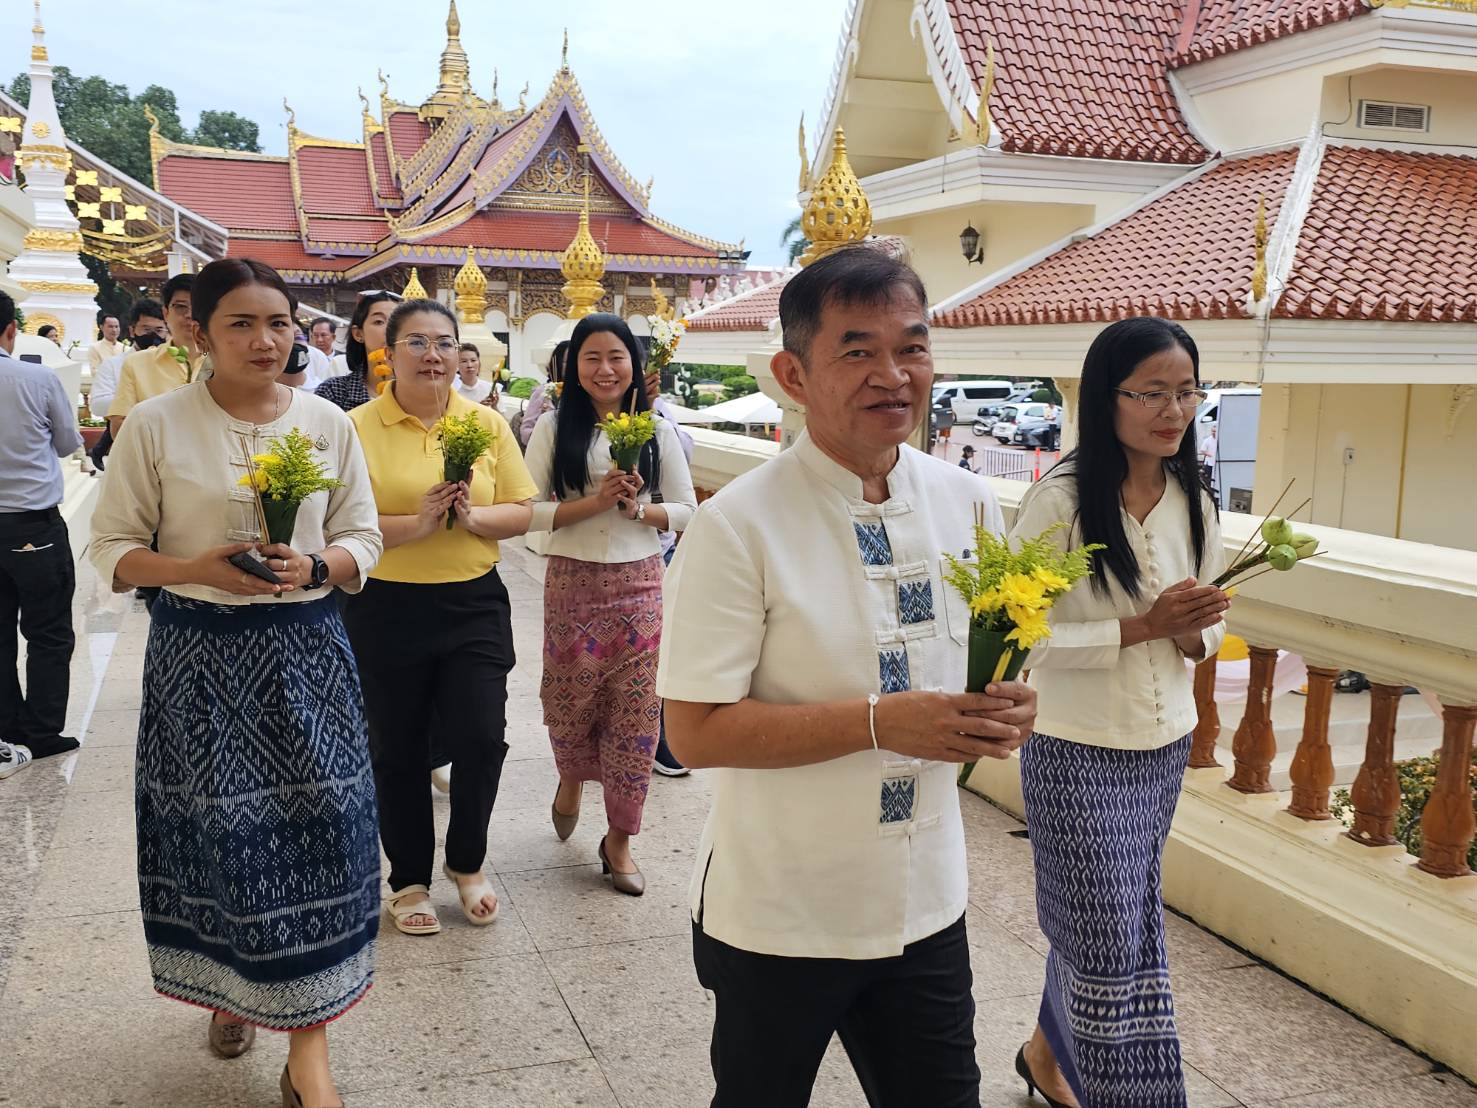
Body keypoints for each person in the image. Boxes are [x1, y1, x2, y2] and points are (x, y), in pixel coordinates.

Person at [658, 246, 1037, 1107]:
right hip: (780, 913)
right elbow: (694, 732)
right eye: (857, 351)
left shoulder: (968, 501)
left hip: (924, 904)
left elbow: (989, 657)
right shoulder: (737, 528)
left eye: (912, 347)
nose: (893, 375)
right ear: (793, 373)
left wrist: (1012, 705)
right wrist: (877, 721)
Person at [89, 258, 383, 1108]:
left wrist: (317, 563)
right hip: (199, 661)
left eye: (280, 324)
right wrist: (193, 567)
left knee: (324, 833)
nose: (266, 341)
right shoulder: (155, 425)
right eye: (242, 325)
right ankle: (231, 992)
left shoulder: (328, 422)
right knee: (226, 842)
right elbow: (111, 550)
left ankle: (308, 1052)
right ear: (199, 332)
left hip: (307, 654)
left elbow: (361, 537)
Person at [1008, 316, 1228, 1108]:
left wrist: (1195, 626)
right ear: (1106, 399)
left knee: (1111, 915)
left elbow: (1211, 627)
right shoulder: (1059, 502)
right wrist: (1142, 627)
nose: (1172, 411)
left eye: (1185, 393)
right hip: (1075, 745)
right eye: (1151, 394)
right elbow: (1016, 636)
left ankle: (1042, 1053)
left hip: (1163, 742)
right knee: (1106, 940)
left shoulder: (1192, 499)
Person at [342, 298, 536, 935]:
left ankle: (468, 861)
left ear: (460, 355)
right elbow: (343, 525)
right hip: (385, 605)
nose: (433, 355)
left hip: (472, 601)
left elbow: (523, 507)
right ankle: (409, 880)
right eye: (417, 343)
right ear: (389, 354)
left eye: (445, 343)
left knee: (482, 737)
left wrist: (473, 519)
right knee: (396, 748)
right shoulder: (357, 426)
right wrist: (419, 523)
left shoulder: (484, 423)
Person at [524, 314, 696, 895]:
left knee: (638, 715)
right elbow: (529, 510)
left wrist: (639, 511)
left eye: (616, 357)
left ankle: (620, 837)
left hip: (641, 585)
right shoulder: (553, 427)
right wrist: (594, 503)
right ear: (574, 366)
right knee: (571, 701)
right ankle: (571, 776)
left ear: (635, 366)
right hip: (571, 585)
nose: (605, 369)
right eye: (591, 357)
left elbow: (688, 509)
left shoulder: (658, 430)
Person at [0, 289, 83, 767]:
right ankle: (43, 731)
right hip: (33, 526)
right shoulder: (35, 376)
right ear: (11, 329)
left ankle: (7, 725)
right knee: (48, 633)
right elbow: (70, 441)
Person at [643, 361, 694, 778]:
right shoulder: (565, 415)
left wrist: (653, 407)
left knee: (665, 649)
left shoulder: (662, 417)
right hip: (598, 559)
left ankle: (662, 738)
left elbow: (684, 462)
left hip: (661, 549)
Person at [106, 273, 200, 437]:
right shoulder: (137, 364)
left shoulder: (229, 363)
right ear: (166, 314)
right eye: (181, 306)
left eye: (199, 307)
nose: (189, 315)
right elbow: (119, 427)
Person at [89, 299, 168, 470]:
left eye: (159, 330)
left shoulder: (178, 364)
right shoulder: (114, 365)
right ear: (133, 331)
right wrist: (138, 399)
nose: (153, 335)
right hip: (131, 448)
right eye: (146, 330)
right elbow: (97, 405)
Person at [316, 293, 394, 413]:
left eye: (396, 322)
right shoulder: (334, 393)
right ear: (358, 334)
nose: (390, 329)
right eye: (379, 322)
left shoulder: (421, 391)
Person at [518, 341, 568, 448]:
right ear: (557, 363)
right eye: (567, 362)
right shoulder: (544, 392)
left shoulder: (586, 391)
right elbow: (526, 430)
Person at [1199, 421, 1217, 487]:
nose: (1213, 433)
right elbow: (1202, 450)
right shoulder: (1207, 440)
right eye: (1212, 431)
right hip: (1209, 462)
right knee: (1208, 478)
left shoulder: (1219, 439)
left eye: (1215, 431)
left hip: (1216, 462)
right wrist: (1209, 454)